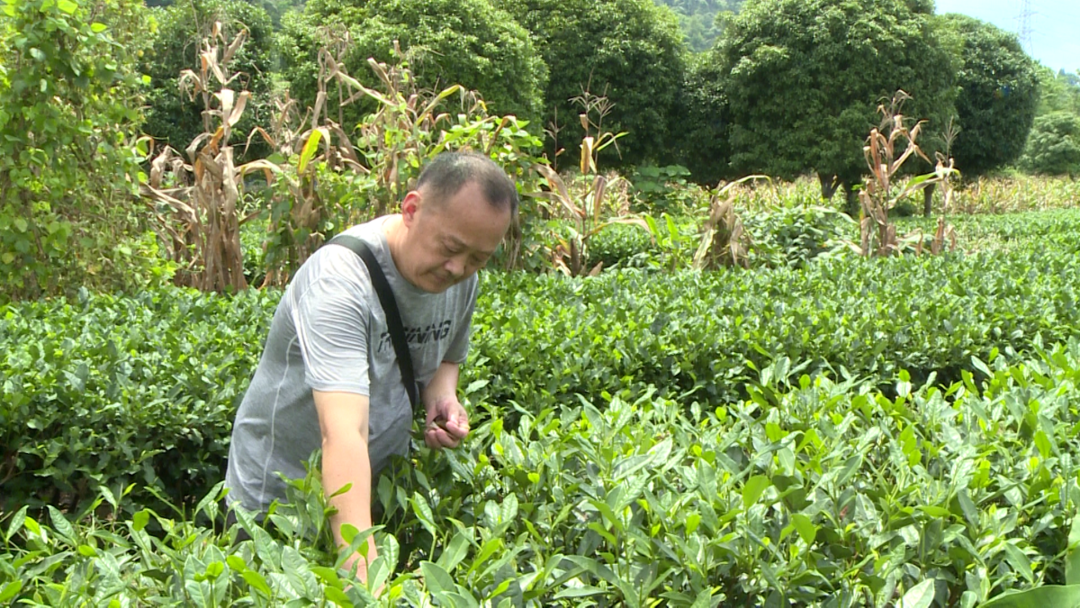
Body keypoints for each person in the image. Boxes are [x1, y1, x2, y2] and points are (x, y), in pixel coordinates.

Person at [224, 152, 516, 582]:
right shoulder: (339, 281)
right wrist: (365, 579)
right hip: (274, 509)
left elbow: (445, 357)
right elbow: (344, 431)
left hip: (369, 498)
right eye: (451, 248)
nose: (459, 269)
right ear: (412, 209)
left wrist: (443, 400)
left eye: (478, 258)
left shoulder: (461, 279)